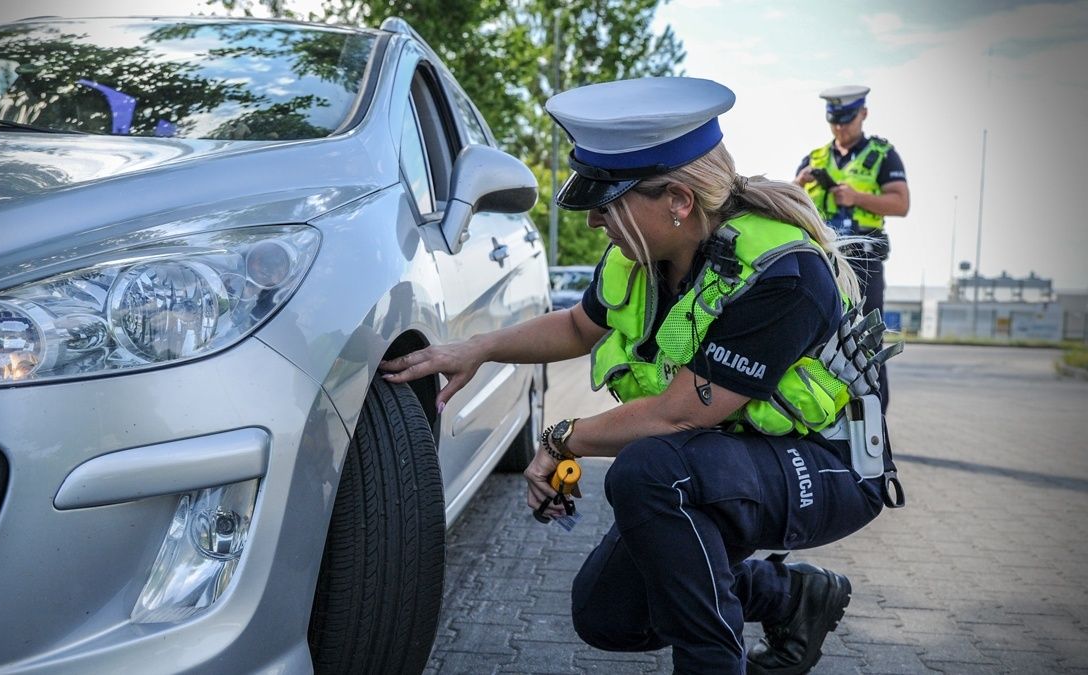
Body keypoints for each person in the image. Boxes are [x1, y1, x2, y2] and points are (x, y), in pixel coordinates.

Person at [380, 76, 902, 674]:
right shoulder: (643, 256)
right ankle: (791, 597)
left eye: (608, 203)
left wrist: (560, 442)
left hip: (827, 466)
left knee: (652, 473)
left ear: (678, 200)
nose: (596, 221)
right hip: (730, 456)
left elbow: (678, 414)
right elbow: (579, 326)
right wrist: (477, 348)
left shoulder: (783, 274)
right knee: (606, 612)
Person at [794, 85, 909, 410]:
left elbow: (901, 202)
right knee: (817, 338)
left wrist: (856, 197)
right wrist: (798, 186)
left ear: (863, 114)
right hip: (823, 259)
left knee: (866, 341)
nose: (840, 127)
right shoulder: (814, 158)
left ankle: (874, 417)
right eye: (834, 121)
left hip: (863, 262)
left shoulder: (883, 155)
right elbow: (787, 203)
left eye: (846, 120)